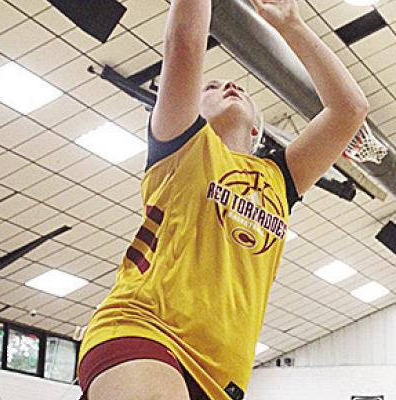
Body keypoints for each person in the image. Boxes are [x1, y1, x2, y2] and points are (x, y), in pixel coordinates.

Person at [77, 1, 369, 399]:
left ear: (256, 132)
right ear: (187, 107)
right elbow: (185, 44)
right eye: (209, 87)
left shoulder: (280, 179)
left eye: (240, 90)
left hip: (222, 375)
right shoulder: (181, 144)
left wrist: (292, 25)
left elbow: (350, 110)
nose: (227, 86)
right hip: (144, 329)